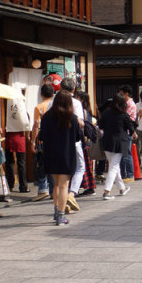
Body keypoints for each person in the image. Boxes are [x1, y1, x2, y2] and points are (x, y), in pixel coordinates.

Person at [38, 91, 81, 225]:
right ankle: (61, 216)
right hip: (67, 154)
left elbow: (41, 136)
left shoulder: (46, 117)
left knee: (56, 184)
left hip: (51, 154)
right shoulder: (72, 118)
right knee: (64, 186)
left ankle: (56, 211)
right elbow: (78, 136)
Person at [99, 96, 134, 199]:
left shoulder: (106, 113)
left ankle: (122, 188)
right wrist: (131, 133)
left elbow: (101, 126)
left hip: (107, 142)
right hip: (120, 143)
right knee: (113, 167)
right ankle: (107, 191)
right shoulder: (123, 115)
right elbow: (131, 128)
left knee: (115, 166)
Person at [59, 78, 86, 214]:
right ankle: (71, 194)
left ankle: (61, 205)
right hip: (74, 141)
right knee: (80, 167)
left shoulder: (54, 102)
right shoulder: (75, 102)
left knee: (62, 173)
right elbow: (80, 123)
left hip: (58, 141)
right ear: (73, 90)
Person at [30, 84, 55, 201]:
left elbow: (36, 125)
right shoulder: (55, 106)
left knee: (40, 163)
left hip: (41, 139)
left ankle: (42, 189)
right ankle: (53, 190)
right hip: (53, 138)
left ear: (41, 94)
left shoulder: (39, 107)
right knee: (51, 163)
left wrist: (32, 141)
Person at [4, 96, 31, 195]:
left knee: (10, 162)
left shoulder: (7, 108)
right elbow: (26, 122)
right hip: (19, 138)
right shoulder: (23, 111)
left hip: (9, 137)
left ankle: (10, 185)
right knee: (21, 163)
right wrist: (28, 135)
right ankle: (23, 186)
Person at [75, 91, 97, 197]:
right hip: (86, 141)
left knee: (82, 166)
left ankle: (88, 187)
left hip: (83, 141)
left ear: (81, 100)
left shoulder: (81, 111)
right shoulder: (86, 111)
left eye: (77, 97)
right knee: (85, 166)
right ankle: (89, 187)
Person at [117, 85, 137, 182]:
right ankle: (124, 174)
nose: (120, 95)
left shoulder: (130, 104)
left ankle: (129, 174)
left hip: (127, 132)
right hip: (124, 132)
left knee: (126, 153)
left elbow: (125, 117)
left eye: (121, 94)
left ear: (126, 94)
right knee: (124, 153)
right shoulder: (125, 103)